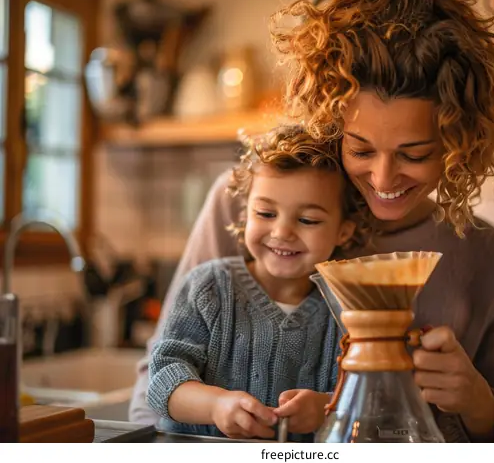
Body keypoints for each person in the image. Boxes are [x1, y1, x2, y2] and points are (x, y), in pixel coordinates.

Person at [131, 0, 494, 443]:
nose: (383, 177)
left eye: (414, 154)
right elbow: (153, 387)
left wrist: (474, 398)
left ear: (458, 141)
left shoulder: (490, 258)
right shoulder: (247, 206)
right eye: (360, 148)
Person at [145, 125, 369, 441]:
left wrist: (326, 407)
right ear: (245, 213)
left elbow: (369, 395)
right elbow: (163, 380)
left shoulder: (349, 308)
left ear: (343, 231)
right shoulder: (208, 287)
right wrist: (215, 406)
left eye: (307, 220)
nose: (282, 232)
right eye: (265, 213)